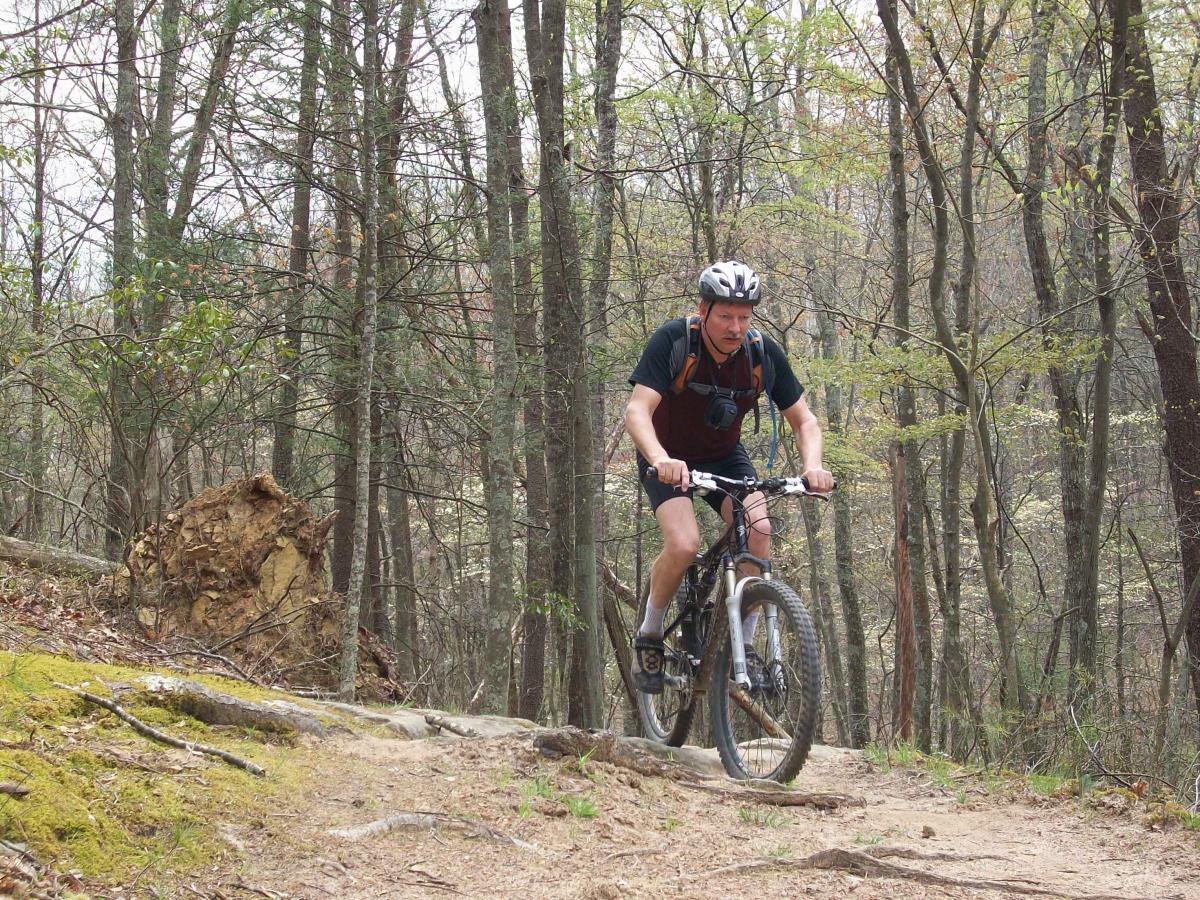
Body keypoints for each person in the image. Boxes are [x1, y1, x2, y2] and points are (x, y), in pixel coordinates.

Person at [624, 260, 834, 694]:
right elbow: (637, 411)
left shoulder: (762, 353)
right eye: (725, 316)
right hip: (667, 455)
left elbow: (804, 421)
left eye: (744, 316)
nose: (736, 327)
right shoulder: (674, 341)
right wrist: (660, 457)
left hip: (723, 457)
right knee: (684, 544)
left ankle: (744, 643)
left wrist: (813, 466)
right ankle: (650, 630)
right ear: (703, 310)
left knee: (759, 530)